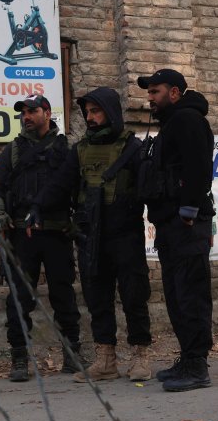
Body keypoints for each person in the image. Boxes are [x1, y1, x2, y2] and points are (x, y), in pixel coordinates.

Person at [37, 87, 153, 382]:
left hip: (125, 233)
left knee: (133, 295)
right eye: (87, 112)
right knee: (97, 297)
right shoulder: (81, 150)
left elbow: (151, 191)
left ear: (110, 112)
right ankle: (106, 360)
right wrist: (34, 209)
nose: (90, 117)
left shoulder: (133, 149)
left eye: (95, 111)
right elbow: (59, 187)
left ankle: (141, 355)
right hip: (90, 235)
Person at [0, 94, 82, 382]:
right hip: (21, 236)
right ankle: (19, 358)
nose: (26, 117)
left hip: (56, 232)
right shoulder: (13, 151)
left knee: (63, 295)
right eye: (23, 113)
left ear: (47, 113)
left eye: (32, 111)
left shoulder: (66, 149)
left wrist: (77, 223)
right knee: (18, 298)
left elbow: (78, 189)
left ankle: (72, 354)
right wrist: (0, 213)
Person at [137, 69, 214, 392]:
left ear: (175, 92)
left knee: (190, 293)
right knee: (176, 293)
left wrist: (188, 209)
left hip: (187, 224)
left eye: (156, 92)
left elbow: (199, 167)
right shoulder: (171, 125)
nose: (150, 98)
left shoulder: (188, 120)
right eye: (149, 92)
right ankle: (188, 357)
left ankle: (197, 365)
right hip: (170, 223)